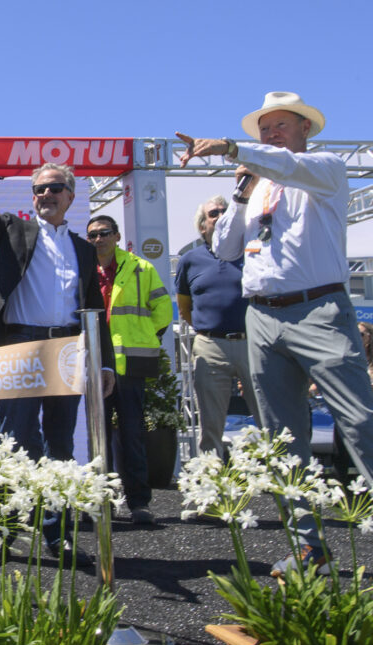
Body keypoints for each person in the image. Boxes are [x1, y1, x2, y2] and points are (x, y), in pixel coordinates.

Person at [178, 91, 373, 577]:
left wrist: (230, 148)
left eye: (281, 125)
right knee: (282, 436)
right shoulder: (258, 185)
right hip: (261, 317)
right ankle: (310, 546)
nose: (271, 135)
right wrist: (241, 193)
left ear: (306, 129)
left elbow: (284, 165)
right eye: (264, 129)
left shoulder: (324, 168)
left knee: (359, 421)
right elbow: (224, 248)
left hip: (319, 309)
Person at [0, 130, 115, 568]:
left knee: (59, 445)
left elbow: (95, 309)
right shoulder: (14, 230)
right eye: (38, 189)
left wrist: (104, 363)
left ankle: (58, 537)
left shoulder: (82, 249)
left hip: (68, 351)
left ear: (70, 196)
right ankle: (1, 532)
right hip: (19, 346)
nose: (45, 195)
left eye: (54, 188)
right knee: (12, 444)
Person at [87, 215, 172, 525]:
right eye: (93, 235)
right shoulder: (83, 270)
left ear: (118, 235)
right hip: (93, 361)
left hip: (130, 362)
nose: (99, 240)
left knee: (132, 434)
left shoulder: (141, 268)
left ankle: (139, 503)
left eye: (104, 233)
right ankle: (101, 500)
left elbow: (163, 310)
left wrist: (145, 336)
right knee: (95, 438)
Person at [175, 196, 260, 459]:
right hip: (210, 345)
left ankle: (278, 475)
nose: (221, 216)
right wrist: (211, 331)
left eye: (226, 211)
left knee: (268, 414)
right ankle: (212, 478)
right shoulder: (189, 260)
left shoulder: (253, 252)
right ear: (203, 226)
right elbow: (185, 308)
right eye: (214, 213)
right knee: (210, 422)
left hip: (254, 343)